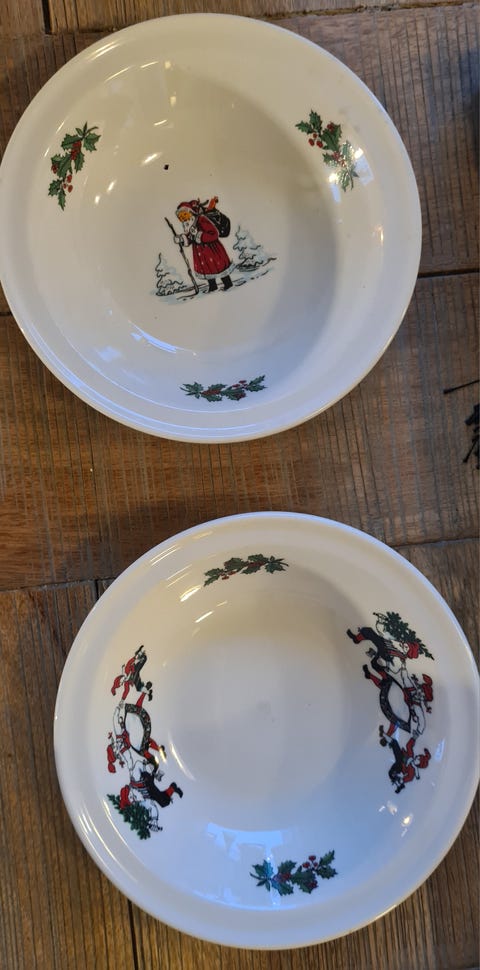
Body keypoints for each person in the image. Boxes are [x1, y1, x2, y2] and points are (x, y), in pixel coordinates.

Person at [174, 199, 233, 292]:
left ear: (190, 213)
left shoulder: (201, 220)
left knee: (219, 266)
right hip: (200, 253)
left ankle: (228, 284)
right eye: (181, 218)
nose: (183, 219)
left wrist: (199, 235)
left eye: (184, 215)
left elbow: (214, 234)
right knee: (207, 268)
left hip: (212, 250)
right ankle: (213, 286)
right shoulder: (188, 225)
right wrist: (182, 239)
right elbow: (190, 238)